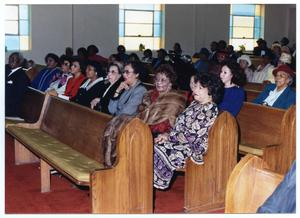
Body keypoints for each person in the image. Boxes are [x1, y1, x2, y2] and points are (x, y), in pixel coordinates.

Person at [153, 72, 224, 189]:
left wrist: (170, 137)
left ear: (210, 91)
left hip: (194, 148)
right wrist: (166, 134)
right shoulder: (194, 104)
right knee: (153, 144)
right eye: (196, 86)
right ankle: (145, 182)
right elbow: (179, 125)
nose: (195, 89)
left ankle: (149, 184)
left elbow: (192, 137)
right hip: (179, 141)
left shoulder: (210, 109)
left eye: (200, 88)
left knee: (159, 149)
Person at [137, 64, 188, 138]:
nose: (158, 82)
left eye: (163, 80)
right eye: (157, 79)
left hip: (163, 135)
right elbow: (141, 115)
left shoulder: (175, 99)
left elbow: (173, 125)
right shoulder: (149, 95)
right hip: (143, 129)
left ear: (170, 82)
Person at [5, 52, 31, 117]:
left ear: (20, 62)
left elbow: (18, 98)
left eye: (13, 59)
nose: (11, 61)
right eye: (10, 59)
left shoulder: (22, 77)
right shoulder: (6, 70)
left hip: (10, 110)